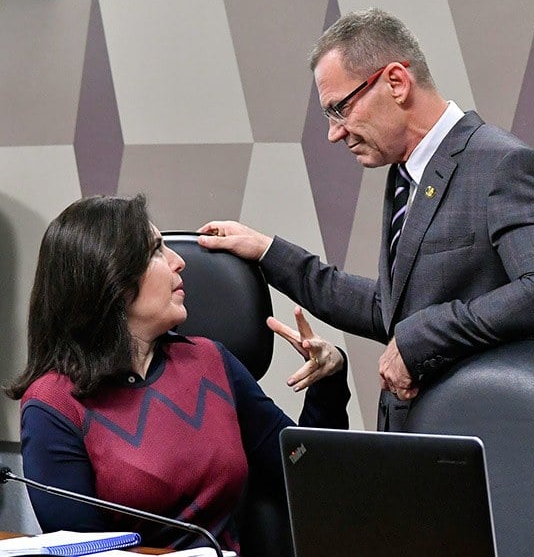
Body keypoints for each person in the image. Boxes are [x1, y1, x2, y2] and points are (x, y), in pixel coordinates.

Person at [198, 8, 534, 431]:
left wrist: (420, 338)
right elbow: (390, 310)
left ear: (396, 82)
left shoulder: (505, 165)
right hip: (421, 442)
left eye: (340, 109)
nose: (334, 132)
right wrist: (268, 252)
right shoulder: (406, 174)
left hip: (482, 442)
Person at [5, 195, 350, 553]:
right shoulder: (54, 403)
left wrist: (328, 380)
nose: (179, 262)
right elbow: (85, 551)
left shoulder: (210, 362)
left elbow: (301, 472)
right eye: (156, 251)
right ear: (114, 281)